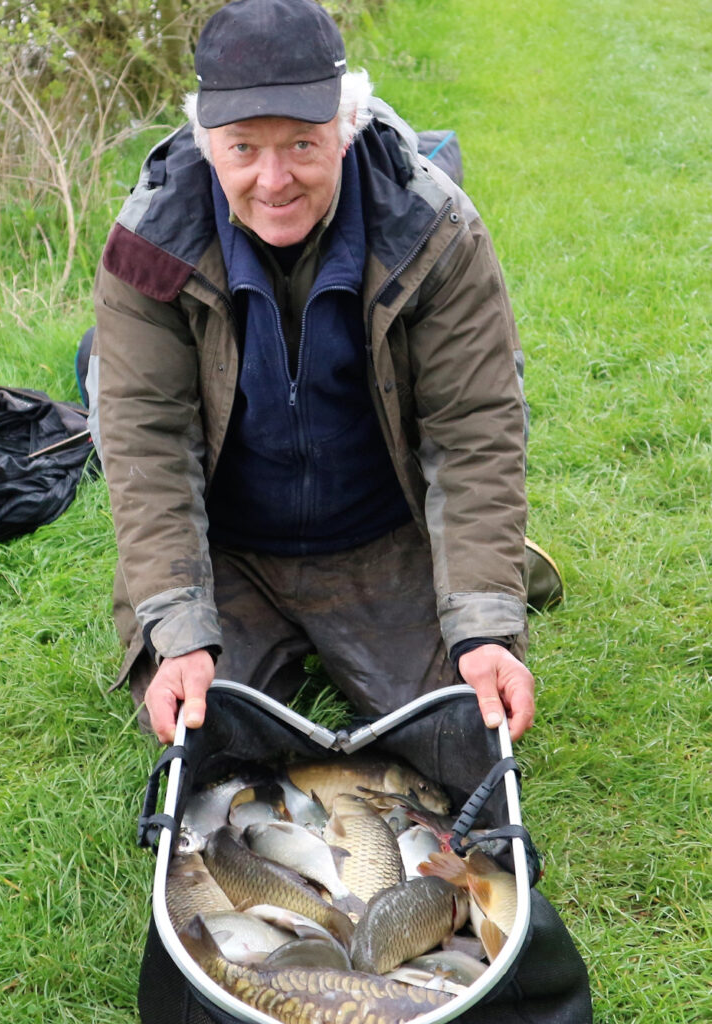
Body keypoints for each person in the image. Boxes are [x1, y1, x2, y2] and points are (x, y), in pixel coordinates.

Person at [88, 0, 534, 746]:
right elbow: (146, 446)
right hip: (231, 549)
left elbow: (476, 426)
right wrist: (181, 630)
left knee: (458, 727)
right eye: (242, 149)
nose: (274, 180)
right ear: (206, 142)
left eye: (302, 143)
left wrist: (484, 626)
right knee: (210, 737)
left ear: (346, 125)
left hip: (380, 534)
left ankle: (490, 580)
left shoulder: (435, 228)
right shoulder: (147, 246)